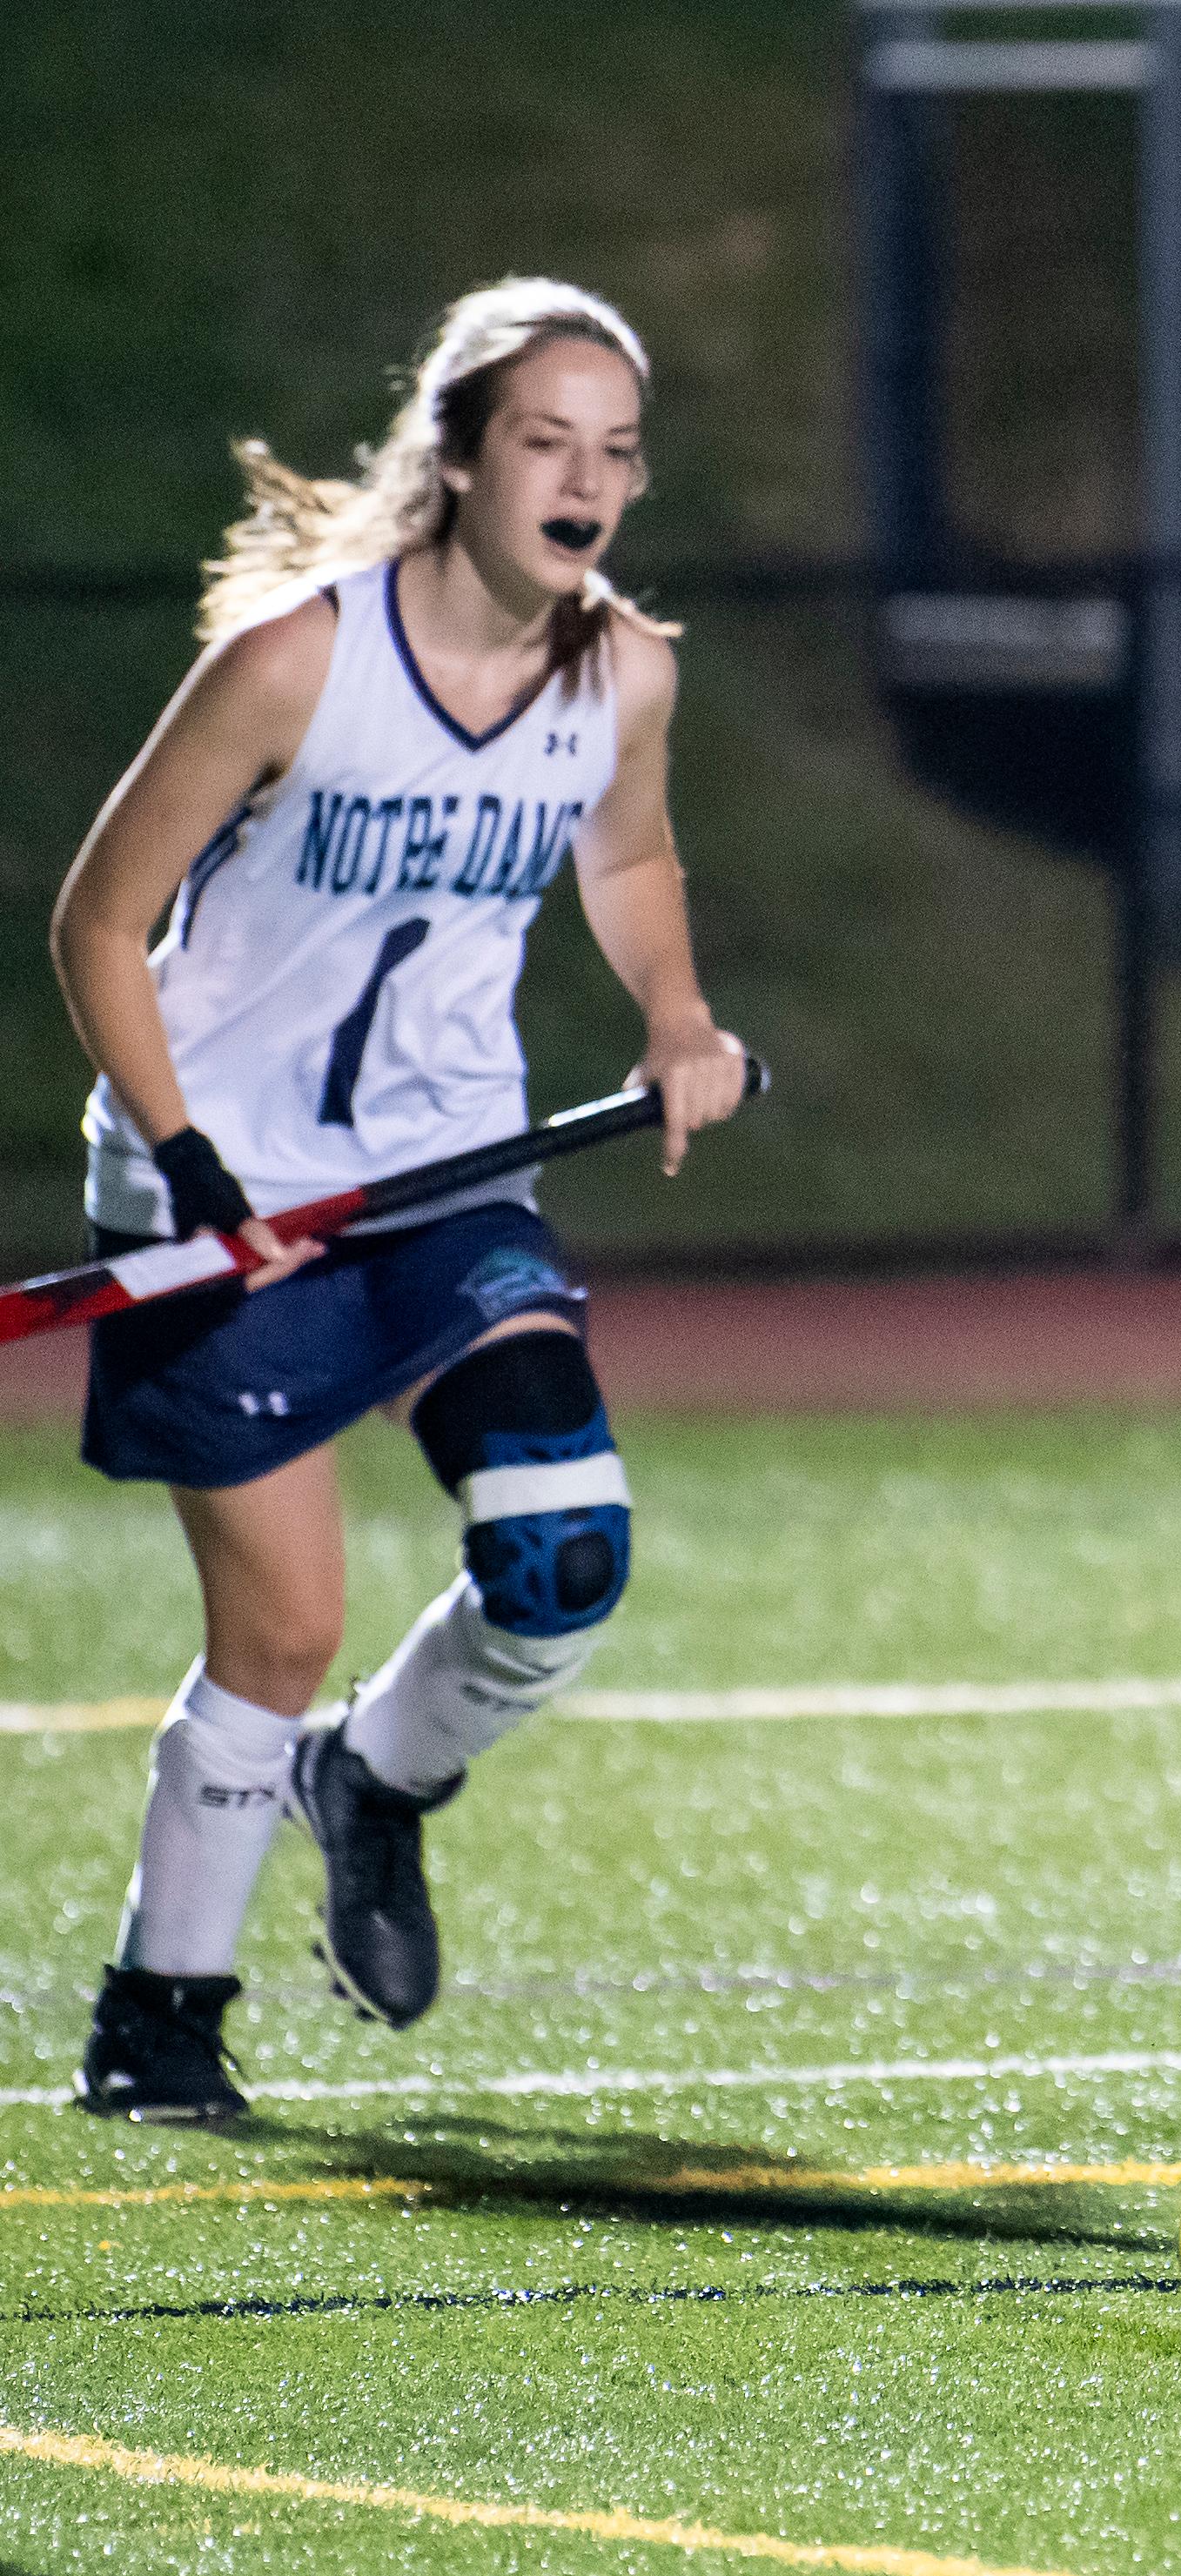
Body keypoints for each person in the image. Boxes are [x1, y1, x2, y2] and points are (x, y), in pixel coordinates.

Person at [53, 278, 750, 2122]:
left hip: (444, 1171)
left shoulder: (624, 673)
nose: (587, 479)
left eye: (616, 448)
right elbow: (98, 924)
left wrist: (676, 1014)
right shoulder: (296, 659)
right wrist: (198, 1172)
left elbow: (629, 844)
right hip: (221, 1187)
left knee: (563, 1552)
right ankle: (156, 2026)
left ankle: (377, 1777)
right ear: (457, 461)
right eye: (546, 439)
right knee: (275, 1631)